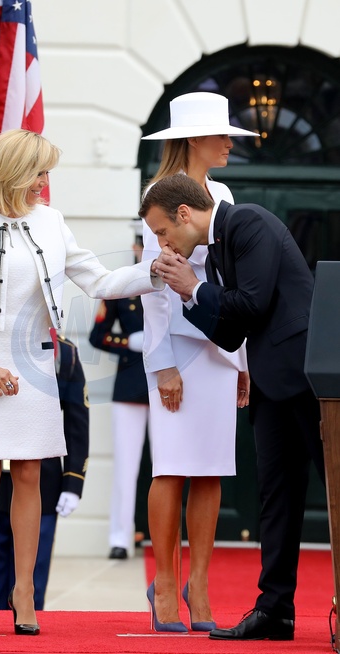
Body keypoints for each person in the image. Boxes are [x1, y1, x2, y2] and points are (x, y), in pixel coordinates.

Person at [0, 128, 164, 636]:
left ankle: (23, 591)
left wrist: (153, 271)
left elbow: (99, 281)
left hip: (34, 365)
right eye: (39, 171)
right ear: (13, 170)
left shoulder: (52, 222)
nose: (44, 181)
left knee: (32, 475)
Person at [139, 173, 326, 641]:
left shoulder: (247, 221)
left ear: (185, 214)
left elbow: (253, 304)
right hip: (272, 382)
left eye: (162, 231)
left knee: (335, 490)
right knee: (276, 498)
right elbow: (230, 332)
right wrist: (189, 293)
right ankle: (275, 611)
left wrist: (196, 287)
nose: (162, 243)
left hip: (308, 378)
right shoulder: (219, 247)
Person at [139, 92, 255, 633]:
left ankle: (199, 585)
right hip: (177, 351)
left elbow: (233, 281)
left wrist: (241, 358)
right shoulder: (158, 195)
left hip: (219, 350)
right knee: (170, 467)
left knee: (211, 470)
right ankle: (165, 582)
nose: (229, 142)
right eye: (221, 133)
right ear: (194, 139)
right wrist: (161, 363)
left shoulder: (224, 193)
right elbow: (154, 289)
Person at [0, 332, 89, 610]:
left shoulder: (64, 352)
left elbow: (76, 421)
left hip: (40, 480)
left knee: (31, 582)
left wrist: (73, 482)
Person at [89, 220, 149, 560]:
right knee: (126, 465)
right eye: (141, 244)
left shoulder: (175, 280)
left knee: (170, 465)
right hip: (130, 384)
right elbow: (98, 336)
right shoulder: (122, 284)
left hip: (169, 385)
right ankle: (120, 537)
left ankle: (167, 536)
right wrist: (128, 342)